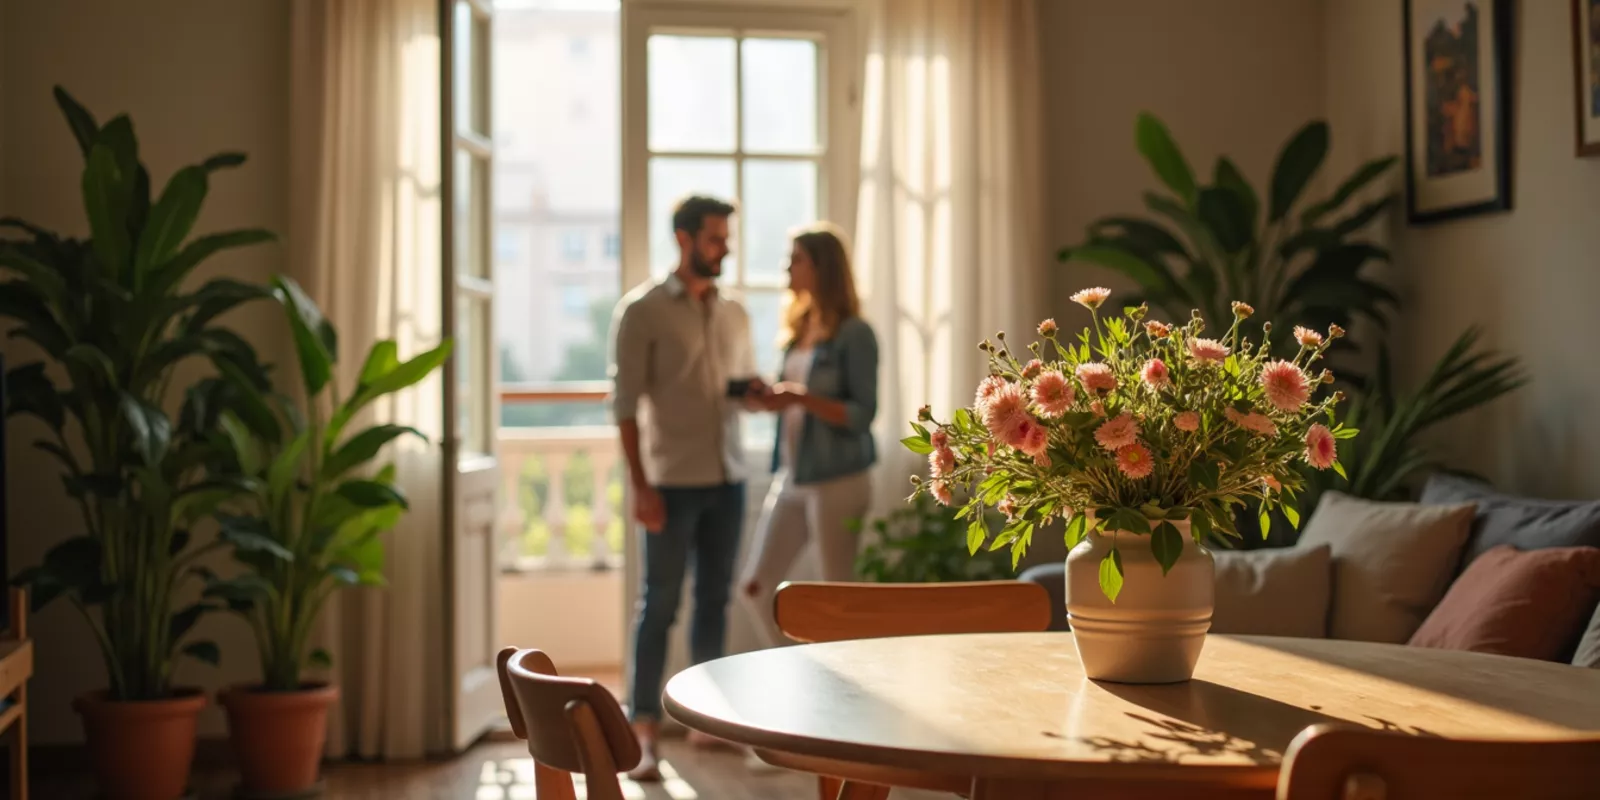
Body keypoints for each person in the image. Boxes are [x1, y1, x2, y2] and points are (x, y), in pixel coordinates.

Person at [608, 195, 763, 781]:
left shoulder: (736, 313)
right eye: (715, 239)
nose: (724, 248)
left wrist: (756, 393)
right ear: (684, 239)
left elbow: (732, 391)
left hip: (727, 479)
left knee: (714, 604)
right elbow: (623, 406)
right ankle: (641, 732)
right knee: (660, 606)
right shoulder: (642, 311)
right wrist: (640, 486)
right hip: (670, 483)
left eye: (727, 238)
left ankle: (709, 723)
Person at [739, 222, 879, 648]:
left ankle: (846, 695)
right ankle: (800, 677)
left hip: (838, 479)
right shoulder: (798, 330)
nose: (786, 267)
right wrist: (771, 398)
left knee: (838, 596)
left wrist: (800, 398)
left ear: (823, 268)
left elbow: (862, 414)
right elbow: (794, 400)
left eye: (796, 259)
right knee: (756, 588)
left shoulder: (855, 333)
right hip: (794, 476)